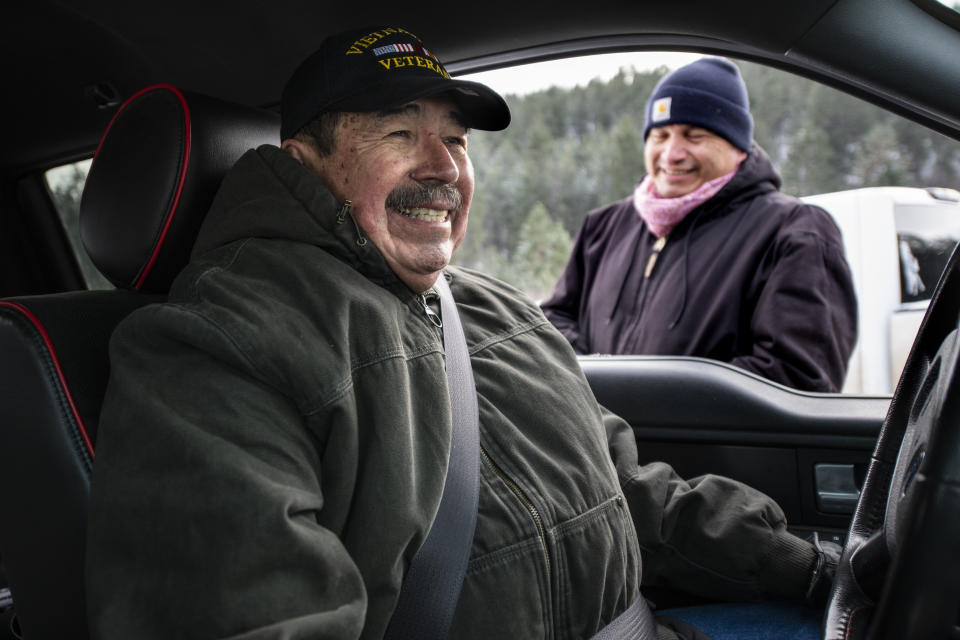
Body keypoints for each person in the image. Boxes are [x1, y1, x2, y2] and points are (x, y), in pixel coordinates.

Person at [86, 28, 836, 640]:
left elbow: (627, 490)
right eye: (399, 131)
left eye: (456, 139)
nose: (443, 165)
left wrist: (807, 568)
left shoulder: (495, 307)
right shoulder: (214, 349)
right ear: (305, 165)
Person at [541, 57, 858, 393]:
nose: (671, 154)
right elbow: (553, 323)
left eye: (694, 136)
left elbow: (798, 378)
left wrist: (645, 399)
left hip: (706, 446)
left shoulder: (793, 231)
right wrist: (597, 387)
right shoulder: (602, 227)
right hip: (598, 443)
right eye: (660, 135)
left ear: (737, 146)